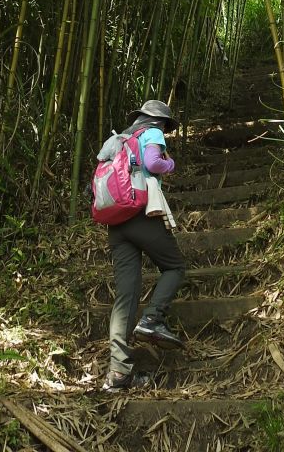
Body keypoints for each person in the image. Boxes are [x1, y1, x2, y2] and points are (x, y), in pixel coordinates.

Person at [102, 99, 186, 392]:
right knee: (175, 266)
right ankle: (152, 319)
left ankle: (118, 374)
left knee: (125, 297)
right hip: (140, 214)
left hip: (116, 223)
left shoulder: (119, 140)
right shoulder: (153, 133)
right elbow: (153, 162)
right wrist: (170, 163)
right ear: (160, 122)